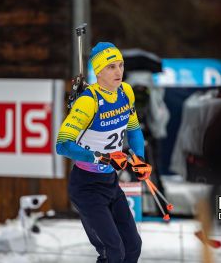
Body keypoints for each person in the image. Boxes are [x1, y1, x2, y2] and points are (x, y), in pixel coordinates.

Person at [56, 42, 151, 263]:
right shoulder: (88, 102)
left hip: (110, 182)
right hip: (86, 186)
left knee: (133, 247)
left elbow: (134, 129)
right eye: (111, 67)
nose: (118, 71)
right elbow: (62, 144)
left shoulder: (126, 92)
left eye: (121, 65)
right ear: (98, 71)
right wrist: (101, 157)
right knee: (113, 251)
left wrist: (139, 158)